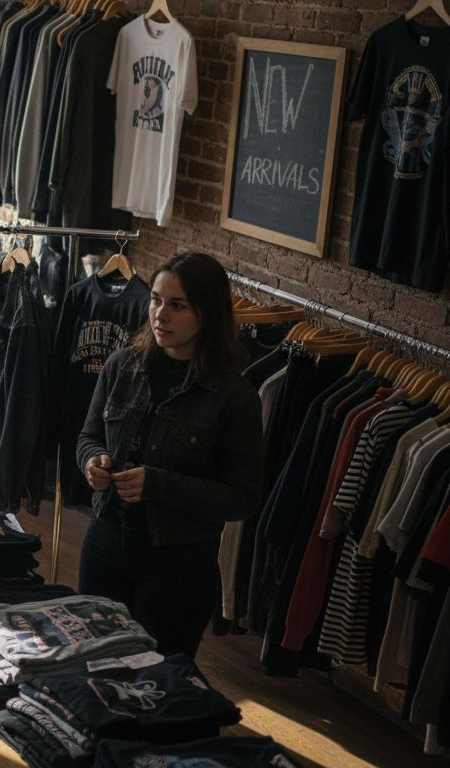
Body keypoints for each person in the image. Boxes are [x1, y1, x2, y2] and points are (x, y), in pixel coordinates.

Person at [76, 251, 263, 659]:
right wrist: (93, 461)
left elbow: (243, 497)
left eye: (177, 306)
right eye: (156, 300)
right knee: (90, 667)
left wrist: (158, 485)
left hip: (177, 564)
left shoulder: (234, 397)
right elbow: (89, 436)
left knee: (158, 679)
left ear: (208, 315)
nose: (160, 314)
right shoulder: (121, 366)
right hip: (105, 543)